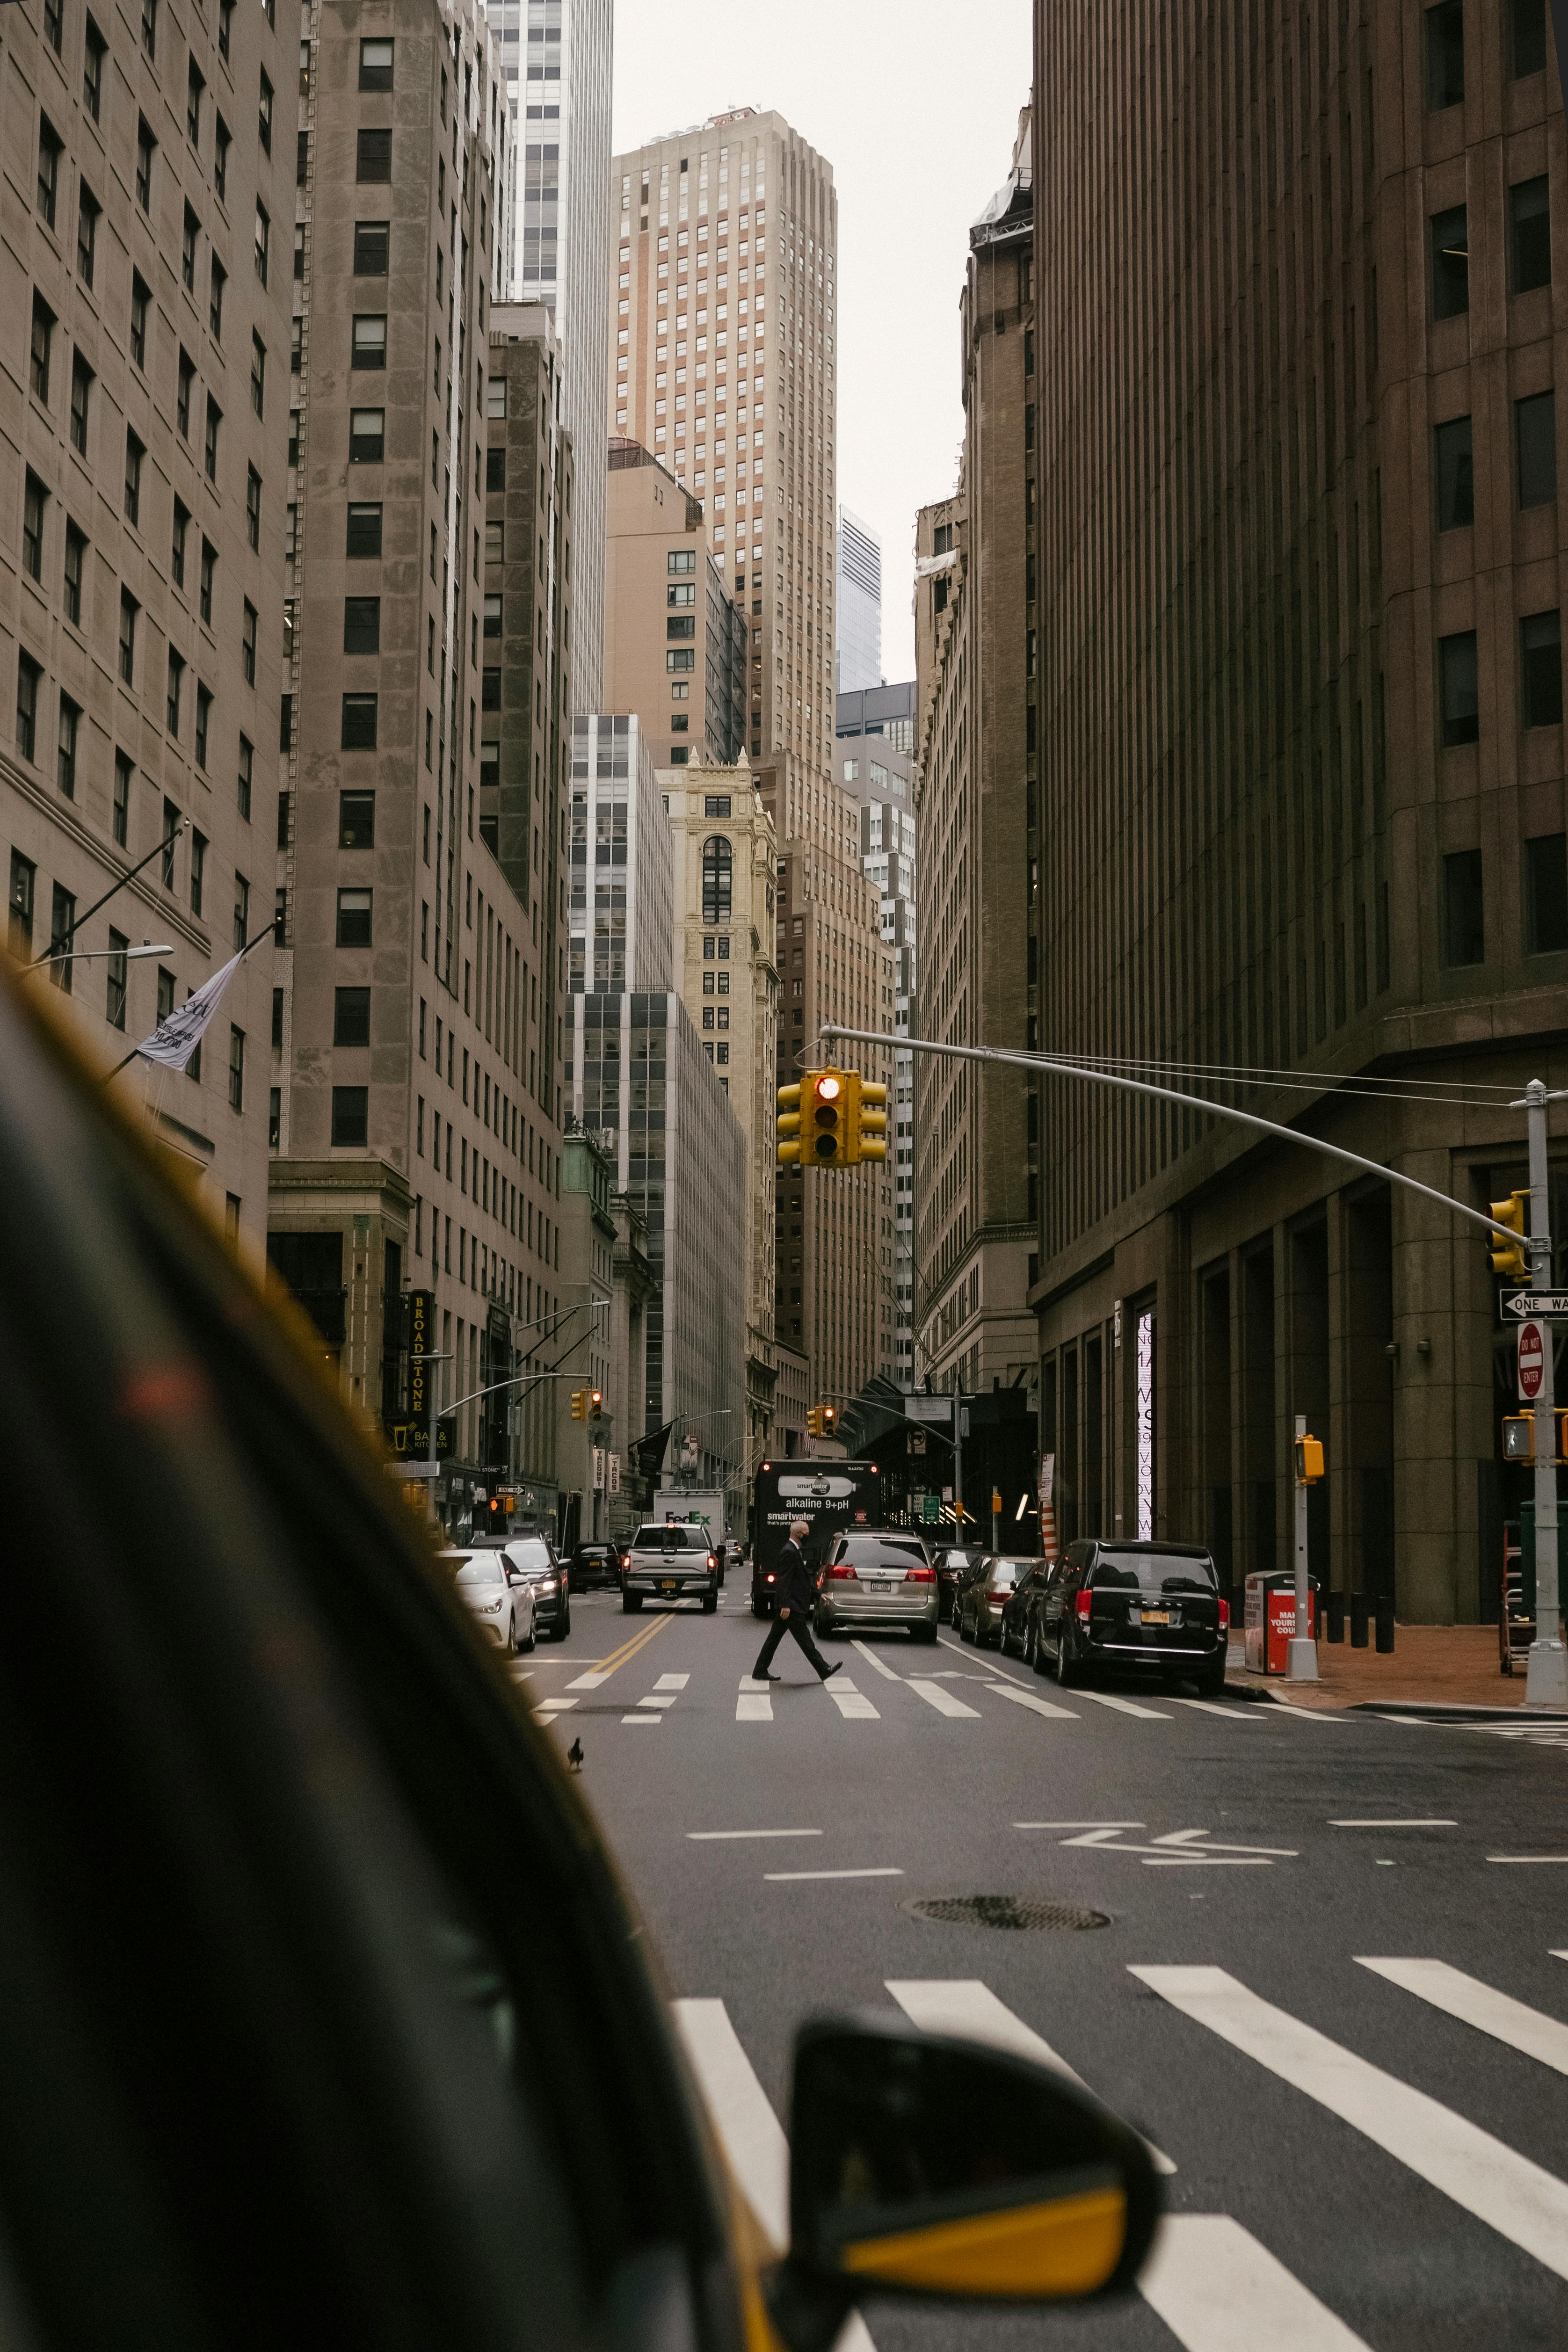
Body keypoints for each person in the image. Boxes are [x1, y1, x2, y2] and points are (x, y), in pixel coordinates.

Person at [751, 1520, 842, 1684]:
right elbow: (784, 1580)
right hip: (791, 1605)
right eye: (806, 1533)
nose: (808, 1536)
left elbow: (800, 1579)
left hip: (791, 1603)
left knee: (774, 1639)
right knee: (805, 1641)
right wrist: (785, 1604)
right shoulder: (789, 1551)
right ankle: (823, 1669)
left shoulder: (794, 1550)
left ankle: (760, 1670)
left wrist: (817, 1593)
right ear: (798, 1534)